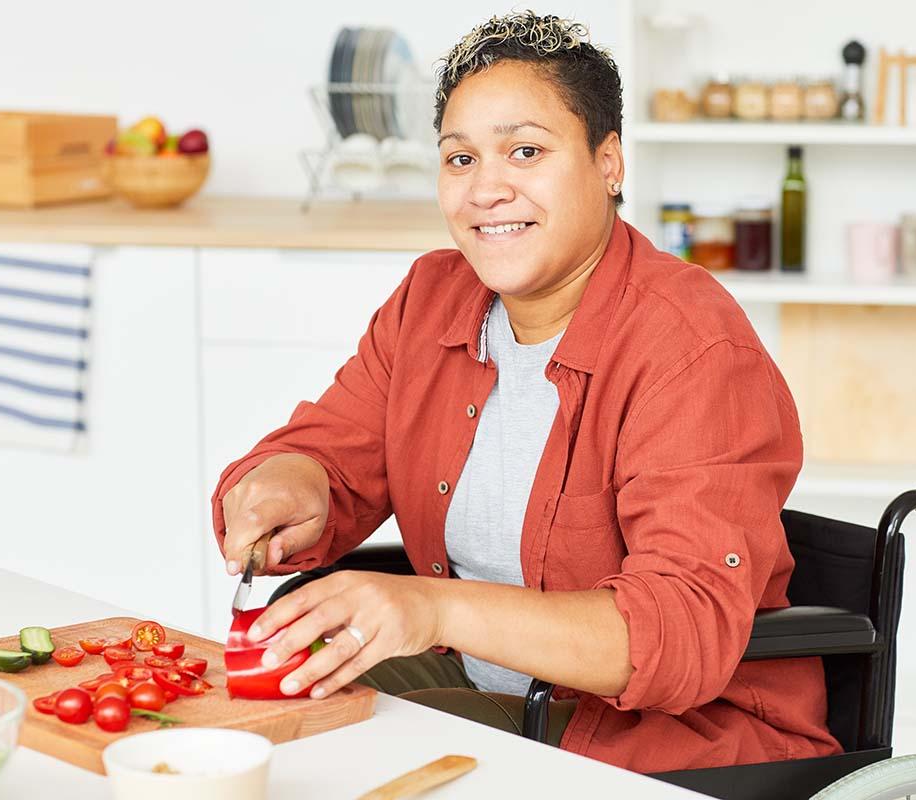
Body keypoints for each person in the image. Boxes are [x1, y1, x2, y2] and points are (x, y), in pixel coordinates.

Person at [213, 11, 840, 773]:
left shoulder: (691, 346)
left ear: (608, 163)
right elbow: (333, 454)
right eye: (460, 159)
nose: (486, 190)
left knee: (342, 766)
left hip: (663, 737)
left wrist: (431, 607)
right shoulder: (431, 300)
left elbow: (677, 628)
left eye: (526, 151)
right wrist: (286, 483)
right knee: (249, 726)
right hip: (494, 688)